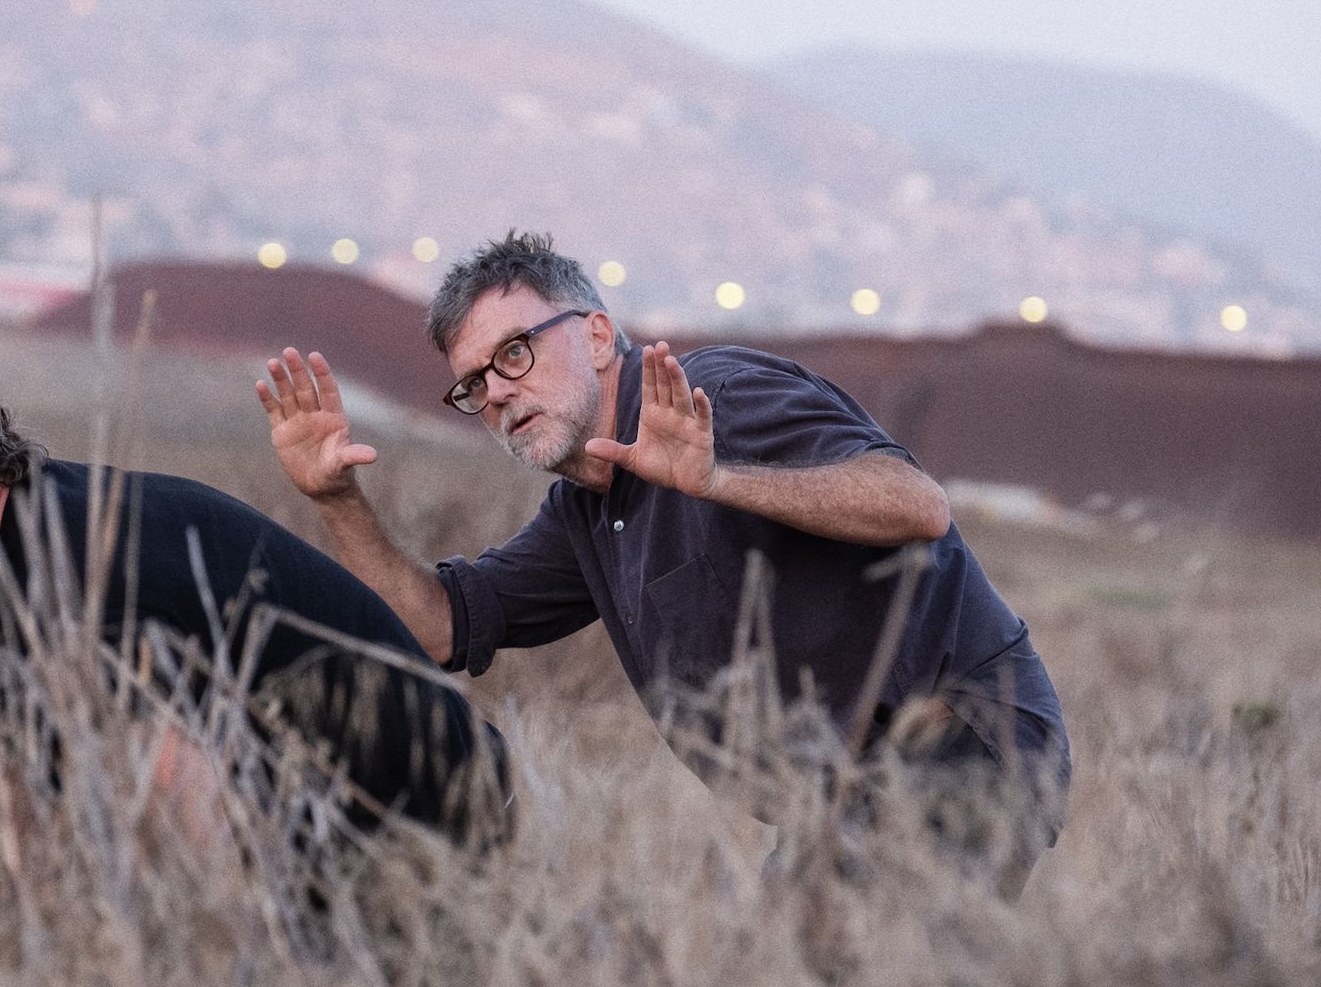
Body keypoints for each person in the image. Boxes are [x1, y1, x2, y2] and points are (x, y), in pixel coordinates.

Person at [256, 232, 1069, 883]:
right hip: (839, 799)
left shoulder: (713, 394)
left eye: (514, 353)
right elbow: (440, 628)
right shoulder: (583, 510)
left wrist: (717, 478)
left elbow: (917, 505)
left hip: (960, 739)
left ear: (599, 335)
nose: (496, 393)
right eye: (473, 385)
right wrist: (336, 502)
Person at [0, 323, 508, 844]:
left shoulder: (92, 573)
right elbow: (7, 774)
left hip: (439, 836)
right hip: (284, 831)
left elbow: (201, 879)